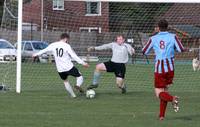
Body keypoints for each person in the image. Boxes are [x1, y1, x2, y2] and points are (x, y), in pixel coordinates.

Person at [142, 19, 186, 120]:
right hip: (170, 68)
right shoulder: (173, 36)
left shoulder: (153, 38)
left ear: (158, 27)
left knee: (159, 93)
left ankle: (173, 99)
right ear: (167, 27)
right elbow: (181, 49)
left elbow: (144, 51)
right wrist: (172, 48)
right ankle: (161, 116)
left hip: (159, 69)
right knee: (164, 91)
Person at [33, 33, 89, 98]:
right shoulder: (67, 46)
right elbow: (74, 56)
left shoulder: (53, 45)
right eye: (68, 39)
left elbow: (44, 50)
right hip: (69, 67)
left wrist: (35, 54)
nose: (68, 41)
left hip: (60, 69)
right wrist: (83, 63)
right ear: (66, 39)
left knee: (65, 81)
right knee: (80, 77)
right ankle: (78, 85)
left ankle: (73, 95)